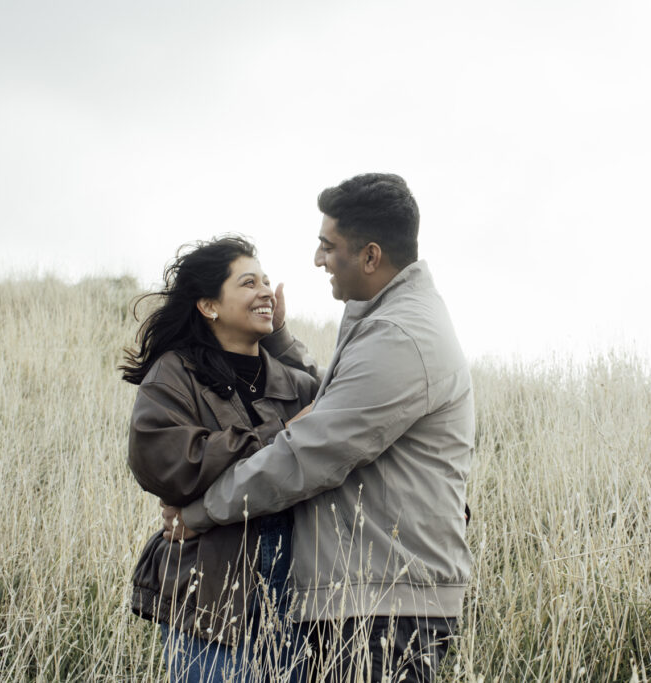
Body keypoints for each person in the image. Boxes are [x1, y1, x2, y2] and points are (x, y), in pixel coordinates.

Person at [164, 173, 475, 682]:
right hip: (370, 597)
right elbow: (342, 395)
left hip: (384, 608)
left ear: (370, 256)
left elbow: (308, 453)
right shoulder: (390, 319)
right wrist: (280, 342)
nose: (317, 259)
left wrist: (202, 512)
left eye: (328, 246)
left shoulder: (400, 335)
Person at [120, 236, 319, 682]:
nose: (266, 292)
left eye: (266, 281)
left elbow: (345, 410)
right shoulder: (176, 373)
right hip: (211, 597)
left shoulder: (295, 382)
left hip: (298, 598)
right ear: (209, 306)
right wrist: (280, 436)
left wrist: (283, 341)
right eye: (249, 283)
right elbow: (163, 461)